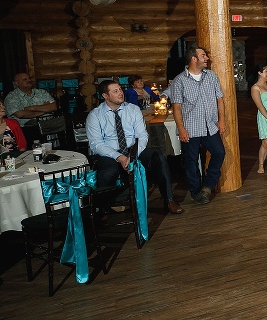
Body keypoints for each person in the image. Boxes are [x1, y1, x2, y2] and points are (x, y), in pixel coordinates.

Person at [86, 80, 184, 215]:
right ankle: (103, 209)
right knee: (107, 172)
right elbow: (96, 144)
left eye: (120, 89)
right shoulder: (95, 115)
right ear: (105, 96)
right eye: (115, 91)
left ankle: (169, 200)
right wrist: (120, 158)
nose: (120, 93)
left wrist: (132, 156)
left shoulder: (133, 109)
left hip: (133, 149)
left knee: (159, 158)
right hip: (110, 153)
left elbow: (142, 136)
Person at [170, 46, 226, 205]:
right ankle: (195, 192)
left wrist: (221, 120)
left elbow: (219, 99)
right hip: (190, 127)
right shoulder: (179, 80)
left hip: (210, 126)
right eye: (203, 55)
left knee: (219, 153)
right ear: (194, 59)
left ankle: (207, 186)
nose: (207, 58)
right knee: (191, 161)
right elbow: (177, 107)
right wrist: (181, 128)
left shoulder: (211, 76)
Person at [4, 72, 58, 143]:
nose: (29, 80)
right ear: (17, 83)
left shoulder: (42, 92)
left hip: (47, 126)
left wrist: (32, 108)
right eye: (24, 79)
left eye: (29, 78)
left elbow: (54, 107)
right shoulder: (11, 97)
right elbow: (20, 114)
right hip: (25, 130)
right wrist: (45, 110)